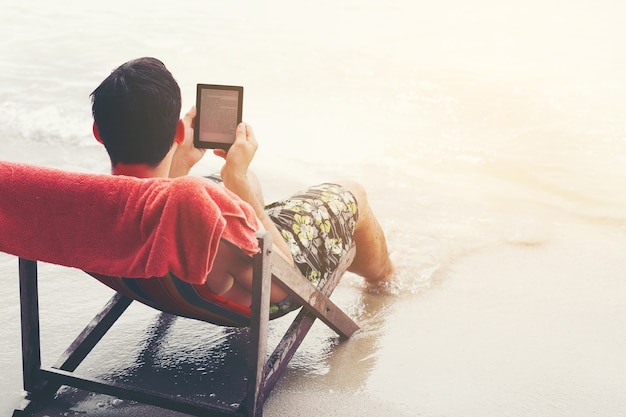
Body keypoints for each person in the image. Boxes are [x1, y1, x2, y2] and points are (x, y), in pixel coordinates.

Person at [90, 57, 393, 315]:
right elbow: (283, 277)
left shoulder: (80, 205)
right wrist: (236, 178)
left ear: (98, 132)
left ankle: (258, 211)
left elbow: (155, 206)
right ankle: (385, 280)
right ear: (180, 131)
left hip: (163, 287)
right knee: (353, 193)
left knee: (242, 184)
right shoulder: (199, 218)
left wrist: (181, 163)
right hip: (255, 295)